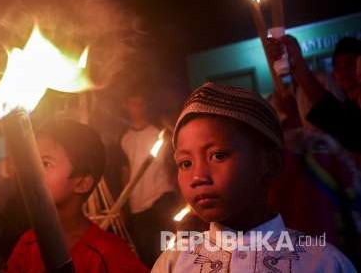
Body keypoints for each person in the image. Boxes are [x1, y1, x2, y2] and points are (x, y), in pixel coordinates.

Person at [152, 83, 356, 272]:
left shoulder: (323, 263)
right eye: (185, 163)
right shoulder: (173, 263)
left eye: (218, 156)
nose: (198, 177)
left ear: (271, 164)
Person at [0, 120, 149, 273]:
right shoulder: (29, 243)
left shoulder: (108, 254)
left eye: (45, 164)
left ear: (82, 182)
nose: (32, 171)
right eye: (32, 161)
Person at [267, 36, 361, 153]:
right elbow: (341, 122)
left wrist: (294, 117)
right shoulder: (283, 93)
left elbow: (340, 128)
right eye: (339, 67)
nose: (343, 73)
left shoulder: (323, 82)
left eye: (350, 65)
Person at [120, 90, 178, 267]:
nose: (138, 108)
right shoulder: (124, 138)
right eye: (134, 103)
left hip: (161, 197)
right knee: (145, 253)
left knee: (166, 248)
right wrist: (124, 203)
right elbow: (126, 171)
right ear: (126, 105)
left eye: (141, 103)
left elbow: (171, 163)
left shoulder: (159, 133)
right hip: (138, 204)